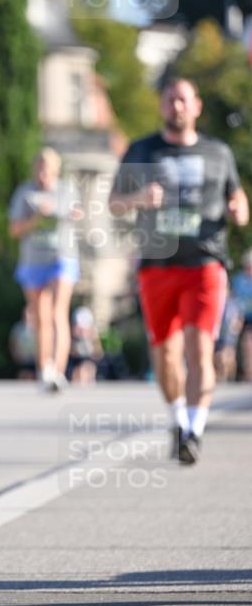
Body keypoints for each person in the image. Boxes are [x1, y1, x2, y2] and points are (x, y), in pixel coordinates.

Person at [109, 77, 249, 464]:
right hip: (157, 265)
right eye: (170, 100)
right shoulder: (142, 150)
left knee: (199, 347)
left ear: (197, 106)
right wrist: (138, 198)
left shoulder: (218, 152)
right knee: (166, 354)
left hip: (205, 262)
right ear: (162, 106)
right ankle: (177, 419)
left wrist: (240, 208)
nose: (177, 107)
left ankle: (194, 430)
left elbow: (236, 195)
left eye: (183, 100)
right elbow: (114, 203)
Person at [8, 147, 81, 391]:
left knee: (58, 311)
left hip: (62, 256)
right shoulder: (25, 193)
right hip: (33, 260)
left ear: (56, 169)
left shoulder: (66, 190)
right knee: (41, 316)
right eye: (39, 167)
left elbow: (77, 214)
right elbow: (14, 230)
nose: (43, 173)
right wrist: (37, 218)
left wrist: (68, 213)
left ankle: (58, 372)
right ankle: (44, 370)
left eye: (48, 168)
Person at [230, 248, 252, 381]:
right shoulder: (238, 279)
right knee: (240, 343)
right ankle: (241, 372)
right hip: (241, 316)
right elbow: (234, 299)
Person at [67, 306, 102, 385]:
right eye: (79, 329)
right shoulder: (69, 339)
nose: (82, 332)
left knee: (88, 366)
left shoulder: (94, 338)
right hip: (74, 362)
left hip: (88, 361)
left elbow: (99, 354)